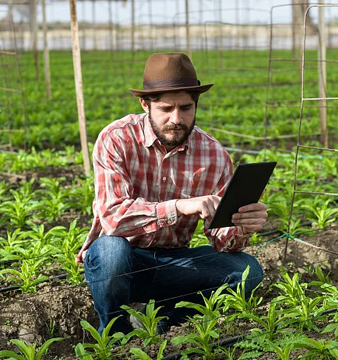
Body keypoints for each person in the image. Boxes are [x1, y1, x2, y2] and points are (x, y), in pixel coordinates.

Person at [75, 52, 268, 335]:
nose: (176, 119)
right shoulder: (116, 138)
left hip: (174, 261)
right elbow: (113, 219)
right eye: (166, 108)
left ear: (196, 105)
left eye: (186, 108)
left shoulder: (213, 154)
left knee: (248, 271)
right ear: (145, 104)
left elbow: (223, 242)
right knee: (113, 251)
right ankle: (116, 333)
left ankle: (166, 319)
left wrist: (240, 226)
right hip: (120, 260)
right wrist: (180, 206)